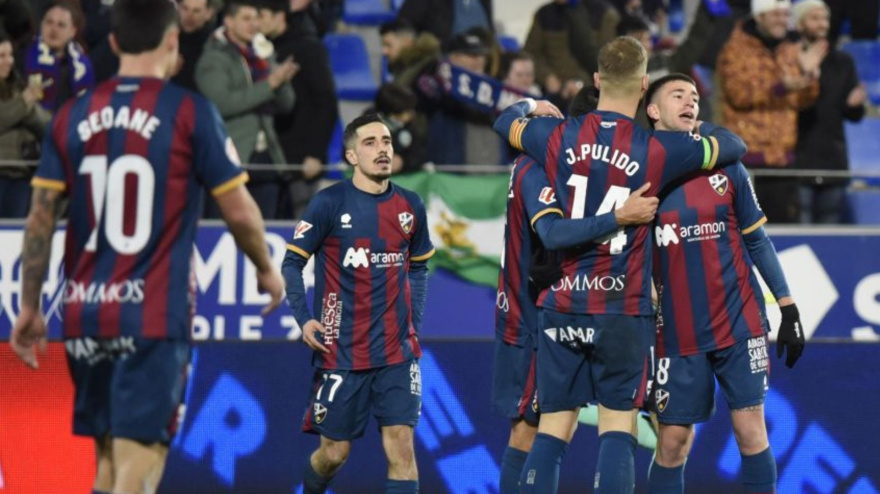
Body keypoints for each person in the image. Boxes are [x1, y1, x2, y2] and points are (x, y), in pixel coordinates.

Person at [8, 2, 285, 494]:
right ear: (174, 41)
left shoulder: (71, 115)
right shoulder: (189, 111)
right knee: (140, 467)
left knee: (110, 464)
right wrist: (266, 267)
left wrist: (30, 306)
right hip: (152, 316)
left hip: (85, 318)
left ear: (112, 44)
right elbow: (240, 210)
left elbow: (40, 220)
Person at [492, 36, 747, 494]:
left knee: (551, 428)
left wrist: (532, 104)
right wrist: (698, 130)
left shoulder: (554, 136)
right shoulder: (660, 148)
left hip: (563, 303)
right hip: (622, 304)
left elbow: (504, 121)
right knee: (618, 425)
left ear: (595, 79)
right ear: (645, 84)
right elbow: (733, 145)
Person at [642, 73, 805, 494]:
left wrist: (788, 307)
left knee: (751, 430)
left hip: (739, 322)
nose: (689, 101)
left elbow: (757, 239)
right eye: (677, 95)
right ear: (653, 110)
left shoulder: (727, 167)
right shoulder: (641, 172)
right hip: (677, 330)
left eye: (695, 96)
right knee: (674, 442)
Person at [494, 89, 661, 492]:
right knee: (532, 430)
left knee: (557, 426)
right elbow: (551, 236)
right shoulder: (537, 168)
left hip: (550, 306)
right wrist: (620, 215)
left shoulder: (550, 166)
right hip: (534, 315)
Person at [282, 114, 434, 494]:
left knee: (401, 445)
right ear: (351, 156)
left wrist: (412, 322)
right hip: (341, 351)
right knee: (334, 454)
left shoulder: (410, 205)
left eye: (386, 141)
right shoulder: (328, 204)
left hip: (397, 353)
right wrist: (304, 319)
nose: (382, 149)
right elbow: (292, 263)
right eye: (370, 143)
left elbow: (419, 268)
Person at [716, 0, 823, 223]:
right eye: (775, 15)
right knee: (745, 234)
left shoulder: (791, 50)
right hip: (747, 160)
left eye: (785, 15)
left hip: (782, 160)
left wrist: (810, 75)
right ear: (759, 17)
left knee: (783, 239)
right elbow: (739, 95)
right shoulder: (735, 50)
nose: (782, 21)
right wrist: (781, 88)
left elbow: (804, 100)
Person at [196, 0, 297, 219]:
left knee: (264, 229)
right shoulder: (213, 59)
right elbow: (222, 104)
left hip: (267, 155)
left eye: (256, 18)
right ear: (229, 21)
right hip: (231, 155)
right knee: (225, 229)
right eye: (246, 18)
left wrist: (281, 82)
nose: (254, 24)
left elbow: (287, 104)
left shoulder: (262, 54)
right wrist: (269, 85)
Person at [792, 0, 866, 224]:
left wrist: (854, 106)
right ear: (800, 23)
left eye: (825, 18)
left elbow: (853, 116)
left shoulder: (844, 62)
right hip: (797, 159)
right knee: (798, 232)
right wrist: (805, 77)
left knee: (830, 229)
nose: (822, 24)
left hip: (833, 160)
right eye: (815, 18)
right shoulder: (788, 58)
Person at [0, 27, 51, 218]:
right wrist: (23, 103)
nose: (9, 61)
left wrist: (27, 106)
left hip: (21, 175)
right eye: (2, 56)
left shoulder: (18, 87)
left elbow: (47, 124)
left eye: (10, 55)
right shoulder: (22, 96)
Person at [23, 2, 95, 112]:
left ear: (73, 31)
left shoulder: (81, 66)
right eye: (49, 22)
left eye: (61, 25)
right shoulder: (24, 55)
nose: (54, 29)